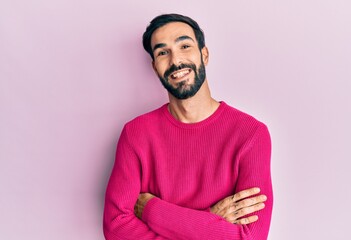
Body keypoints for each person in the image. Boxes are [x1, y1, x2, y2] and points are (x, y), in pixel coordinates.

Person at [103, 13, 273, 240]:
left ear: (204, 54)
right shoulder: (136, 134)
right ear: (155, 67)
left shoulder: (250, 134)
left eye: (184, 46)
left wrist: (153, 209)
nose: (175, 61)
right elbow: (116, 227)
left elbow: (250, 237)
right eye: (163, 52)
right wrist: (210, 218)